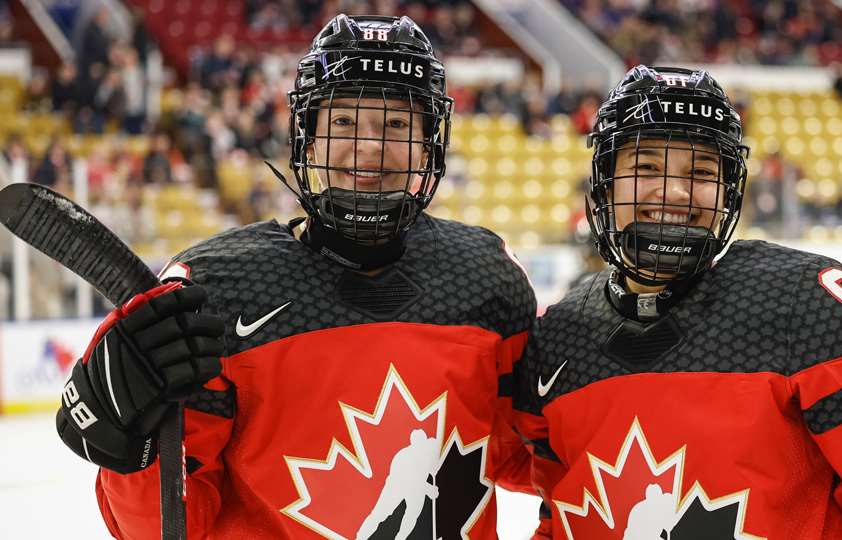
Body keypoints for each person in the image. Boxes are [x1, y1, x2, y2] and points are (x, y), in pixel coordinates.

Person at [55, 14, 536, 539]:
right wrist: (132, 451)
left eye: (397, 124)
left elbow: (534, 455)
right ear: (307, 140)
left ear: (429, 145)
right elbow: (167, 528)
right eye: (345, 123)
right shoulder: (217, 289)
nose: (370, 146)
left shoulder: (487, 277)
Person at [511, 65, 842, 539]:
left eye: (702, 172)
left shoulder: (801, 301)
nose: (675, 191)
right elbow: (564, 511)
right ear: (605, 180)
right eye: (645, 167)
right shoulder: (560, 335)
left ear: (731, 187)